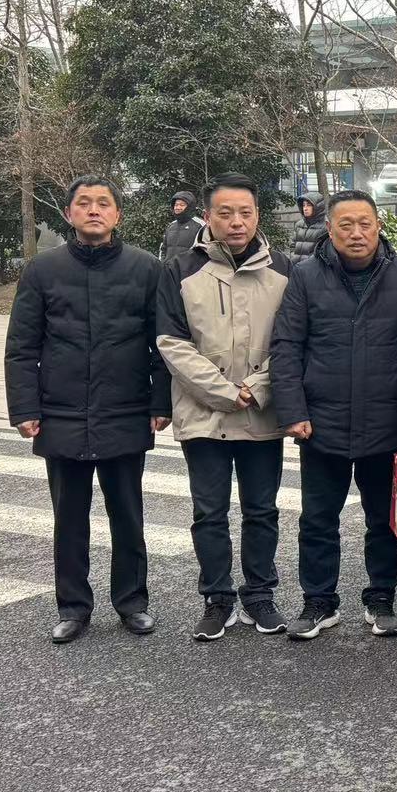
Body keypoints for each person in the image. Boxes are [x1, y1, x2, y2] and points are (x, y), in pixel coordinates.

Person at [4, 176, 172, 644]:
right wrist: (24, 406)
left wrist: (160, 401)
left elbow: (162, 343)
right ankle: (73, 607)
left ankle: (132, 602)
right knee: (69, 518)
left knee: (128, 514)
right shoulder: (43, 270)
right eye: (84, 203)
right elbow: (22, 345)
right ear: (69, 214)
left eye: (103, 203)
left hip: (125, 409)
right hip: (61, 412)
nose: (93, 210)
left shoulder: (146, 268)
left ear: (117, 214)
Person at [271, 190, 397, 641]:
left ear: (379, 226)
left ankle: (382, 599)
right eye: (346, 225)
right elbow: (286, 346)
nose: (356, 233)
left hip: (387, 421)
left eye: (365, 224)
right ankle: (319, 602)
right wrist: (293, 409)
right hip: (322, 423)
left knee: (384, 519)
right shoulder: (305, 276)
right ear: (329, 229)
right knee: (318, 520)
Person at [157, 174, 294, 641]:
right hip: (203, 414)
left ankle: (259, 595)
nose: (236, 222)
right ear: (208, 217)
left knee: (262, 510)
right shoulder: (179, 269)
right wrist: (224, 392)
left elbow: (292, 339)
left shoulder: (284, 268)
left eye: (245, 213)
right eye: (225, 213)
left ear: (257, 216)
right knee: (209, 513)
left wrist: (255, 387)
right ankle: (217, 599)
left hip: (261, 412)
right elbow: (171, 342)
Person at [159, 190, 204, 261]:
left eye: (182, 205)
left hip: (189, 267)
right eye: (176, 205)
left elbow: (203, 251)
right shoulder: (171, 226)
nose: (178, 207)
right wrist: (162, 264)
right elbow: (163, 249)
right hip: (168, 267)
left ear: (190, 206)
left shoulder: (200, 225)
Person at [289, 195, 326, 262]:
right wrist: (293, 259)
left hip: (313, 267)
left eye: (308, 205)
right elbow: (292, 246)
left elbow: (323, 252)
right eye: (303, 205)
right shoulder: (299, 225)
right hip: (296, 266)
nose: (305, 208)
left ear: (317, 207)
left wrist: (308, 264)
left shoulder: (325, 227)